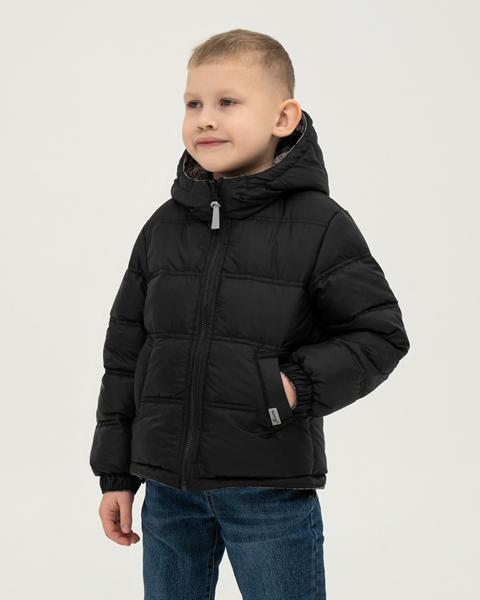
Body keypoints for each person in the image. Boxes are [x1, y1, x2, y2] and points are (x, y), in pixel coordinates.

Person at [89, 28, 410, 600]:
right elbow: (126, 354)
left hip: (269, 489)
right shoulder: (164, 227)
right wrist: (116, 474)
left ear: (283, 118)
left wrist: (291, 386)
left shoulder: (320, 225)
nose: (205, 119)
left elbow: (379, 334)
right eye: (193, 104)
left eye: (227, 102)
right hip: (168, 492)